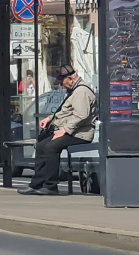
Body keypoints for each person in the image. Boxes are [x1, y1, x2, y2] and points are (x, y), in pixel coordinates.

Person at [19, 65, 96, 195]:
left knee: (51, 147)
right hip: (71, 130)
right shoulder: (74, 90)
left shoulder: (81, 92)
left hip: (80, 133)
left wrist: (64, 130)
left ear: (70, 78)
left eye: (62, 82)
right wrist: (50, 119)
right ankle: (37, 184)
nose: (61, 85)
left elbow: (81, 115)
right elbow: (66, 111)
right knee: (41, 145)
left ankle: (50, 186)